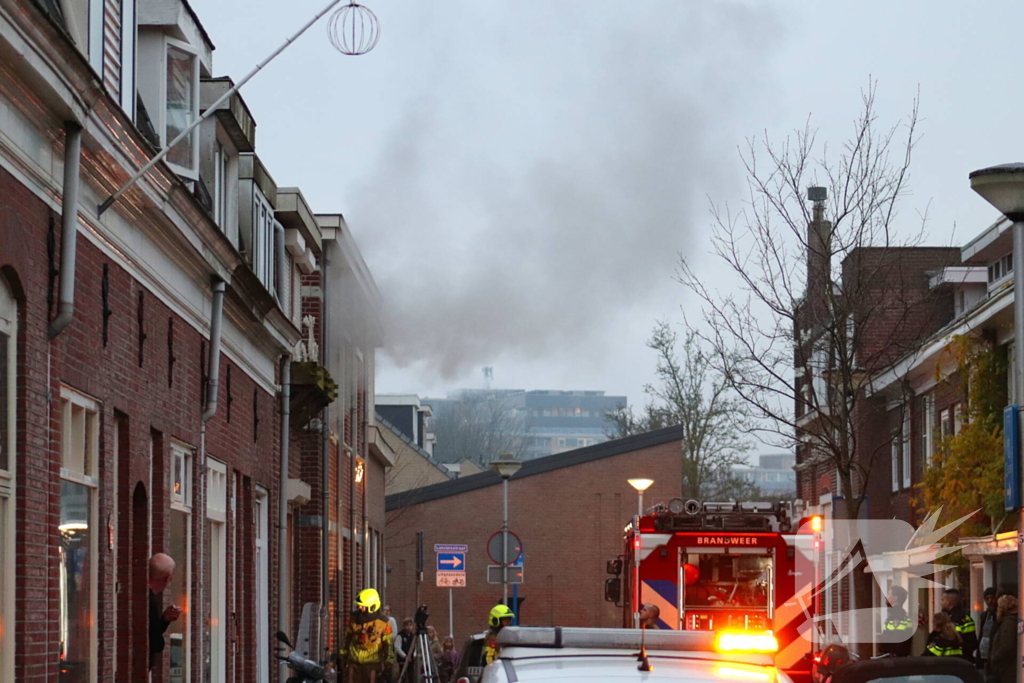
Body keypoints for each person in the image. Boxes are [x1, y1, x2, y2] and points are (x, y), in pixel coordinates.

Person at [343, 588, 394, 683]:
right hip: (354, 665)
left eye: (363, 606)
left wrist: (388, 665)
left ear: (373, 606)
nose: (359, 608)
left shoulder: (383, 622)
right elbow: (347, 638)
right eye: (359, 605)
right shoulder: (354, 618)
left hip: (372, 666)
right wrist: (342, 657)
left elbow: (389, 644)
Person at [148, 553, 182, 670]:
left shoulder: (144, 596)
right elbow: (155, 642)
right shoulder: (149, 600)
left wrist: (164, 620)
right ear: (168, 577)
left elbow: (151, 630)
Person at [987, 595, 1018, 683]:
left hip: (1007, 668)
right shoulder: (1017, 620)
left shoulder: (1009, 623)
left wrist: (995, 657)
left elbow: (1007, 645)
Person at [942, 588, 978, 664]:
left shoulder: (949, 620)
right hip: (966, 662)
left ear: (948, 602)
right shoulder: (967, 618)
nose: (941, 603)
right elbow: (973, 643)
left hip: (951, 662)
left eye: (943, 600)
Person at [879, 585, 914, 657]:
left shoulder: (897, 617)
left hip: (894, 660)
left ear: (895, 598)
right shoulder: (896, 615)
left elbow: (897, 641)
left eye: (889, 594)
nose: (886, 597)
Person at [977, 587, 998, 670]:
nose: (990, 601)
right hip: (984, 654)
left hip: (993, 654)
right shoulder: (984, 615)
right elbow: (981, 634)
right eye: (987, 598)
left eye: (992, 598)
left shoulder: (999, 615)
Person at [395, 618, 416, 682]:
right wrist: (405, 656)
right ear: (404, 626)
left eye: (410, 625)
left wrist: (414, 656)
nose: (409, 627)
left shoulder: (413, 636)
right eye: (407, 625)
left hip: (411, 660)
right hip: (403, 660)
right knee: (402, 676)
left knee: (411, 676)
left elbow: (416, 647)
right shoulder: (400, 635)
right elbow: (397, 647)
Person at [382, 605, 400, 683]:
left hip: (388, 644)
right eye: (385, 610)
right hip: (381, 645)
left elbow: (394, 633)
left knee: (389, 663)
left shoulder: (391, 620)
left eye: (388, 610)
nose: (386, 612)